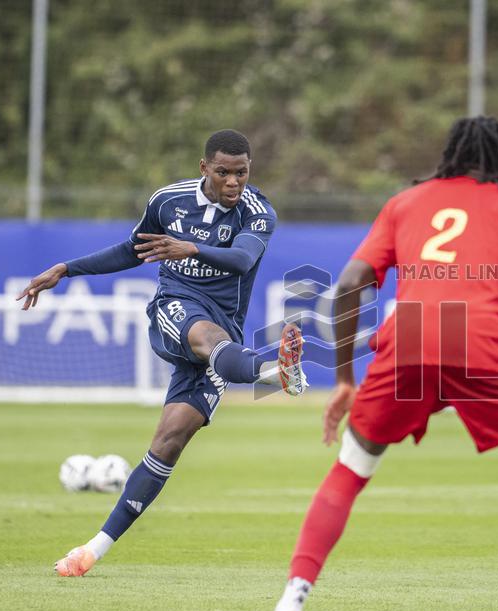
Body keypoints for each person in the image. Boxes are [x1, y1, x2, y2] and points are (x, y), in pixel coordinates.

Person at [241, 116, 498, 611]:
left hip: (412, 334)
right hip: (479, 341)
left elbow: (350, 283)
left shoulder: (406, 202)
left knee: (352, 467)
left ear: (452, 154)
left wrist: (346, 379)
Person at [17, 129, 308, 577]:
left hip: (223, 323)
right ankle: (272, 370)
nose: (234, 182)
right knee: (210, 343)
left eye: (242, 173)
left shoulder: (258, 211)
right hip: (176, 308)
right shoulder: (169, 202)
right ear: (204, 168)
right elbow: (134, 250)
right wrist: (67, 269)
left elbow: (243, 260)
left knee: (169, 442)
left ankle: (90, 551)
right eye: (224, 172)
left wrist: (191, 247)